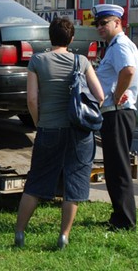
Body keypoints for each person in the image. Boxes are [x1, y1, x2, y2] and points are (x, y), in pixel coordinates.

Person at [14, 17, 104, 250]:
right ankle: (63, 236)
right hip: (78, 133)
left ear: (49, 37)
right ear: (71, 38)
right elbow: (100, 96)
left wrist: (39, 122)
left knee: (36, 182)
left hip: (49, 128)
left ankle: (20, 233)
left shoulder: (37, 61)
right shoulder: (81, 61)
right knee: (73, 185)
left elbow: (32, 99)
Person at [92, 3, 138, 231]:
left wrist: (117, 95)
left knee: (118, 168)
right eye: (97, 24)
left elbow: (128, 70)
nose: (99, 27)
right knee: (114, 167)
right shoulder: (118, 45)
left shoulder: (120, 45)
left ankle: (125, 221)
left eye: (104, 23)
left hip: (117, 112)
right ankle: (119, 216)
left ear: (117, 23)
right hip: (117, 113)